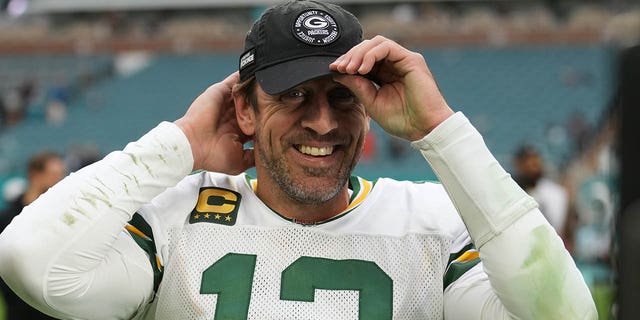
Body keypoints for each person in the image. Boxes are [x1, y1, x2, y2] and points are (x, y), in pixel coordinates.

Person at [0, 1, 596, 319]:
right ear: (245, 110)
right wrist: (179, 141)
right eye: (292, 97)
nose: (322, 122)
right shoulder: (174, 217)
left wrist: (442, 132)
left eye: (344, 96)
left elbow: (564, 315)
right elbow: (29, 264)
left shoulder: (433, 221)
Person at [0, 151, 65, 320]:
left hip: (55, 307)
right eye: (54, 174)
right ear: (35, 175)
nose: (60, 180)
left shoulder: (62, 215)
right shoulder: (8, 217)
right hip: (20, 308)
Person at [513, 144, 570, 237]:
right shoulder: (513, 194)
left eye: (535, 160)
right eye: (526, 161)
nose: (532, 166)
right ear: (518, 165)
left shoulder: (556, 193)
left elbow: (564, 230)